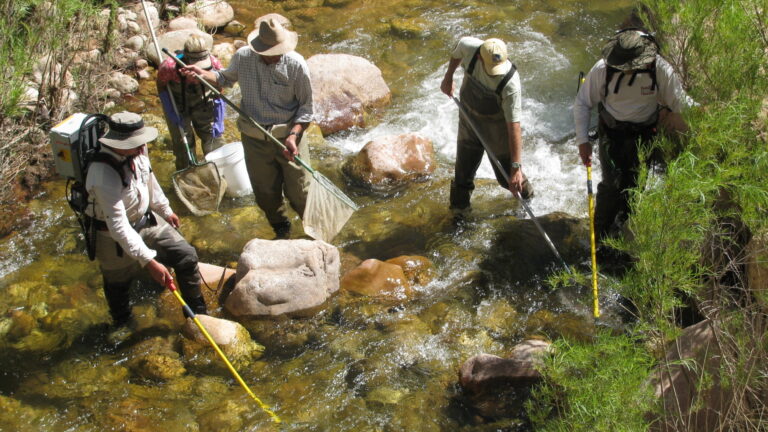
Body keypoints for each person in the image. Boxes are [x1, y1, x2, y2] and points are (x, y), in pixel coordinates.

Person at [181, 18, 313, 239]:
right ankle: (281, 229)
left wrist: (293, 135)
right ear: (259, 49)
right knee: (265, 192)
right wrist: (204, 75)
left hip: (289, 137)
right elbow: (224, 78)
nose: (277, 55)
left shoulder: (296, 64)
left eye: (280, 51)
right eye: (271, 52)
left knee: (301, 192)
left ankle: (313, 232)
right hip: (254, 138)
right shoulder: (243, 57)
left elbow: (307, 108)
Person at [85, 112, 207, 330]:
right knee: (118, 284)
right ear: (119, 144)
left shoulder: (138, 150)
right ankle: (122, 323)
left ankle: (197, 313)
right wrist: (149, 262)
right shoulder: (102, 174)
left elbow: (149, 179)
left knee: (186, 255)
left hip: (145, 220)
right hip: (111, 235)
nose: (143, 147)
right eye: (136, 144)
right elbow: (118, 227)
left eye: (142, 142)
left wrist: (165, 210)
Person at [573, 28, 693, 242]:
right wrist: (583, 142)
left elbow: (680, 103)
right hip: (611, 134)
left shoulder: (659, 69)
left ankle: (624, 234)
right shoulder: (602, 69)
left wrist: (708, 113)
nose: (626, 69)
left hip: (645, 135)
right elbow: (582, 103)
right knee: (611, 186)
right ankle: (600, 236)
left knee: (636, 185)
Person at [440, 36, 534, 223]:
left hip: (496, 131)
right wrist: (448, 77)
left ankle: (529, 198)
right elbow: (456, 53)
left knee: (506, 178)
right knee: (462, 174)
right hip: (468, 122)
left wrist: (516, 168)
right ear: (480, 57)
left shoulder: (510, 83)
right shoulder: (469, 47)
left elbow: (514, 126)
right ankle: (459, 215)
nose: (494, 73)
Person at [157, 34, 225, 171]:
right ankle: (188, 172)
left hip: (205, 104)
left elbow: (220, 88)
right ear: (186, 59)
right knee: (184, 145)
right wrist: (170, 109)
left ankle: (218, 171)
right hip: (177, 105)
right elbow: (161, 86)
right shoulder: (169, 67)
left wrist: (219, 115)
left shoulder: (214, 63)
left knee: (214, 140)